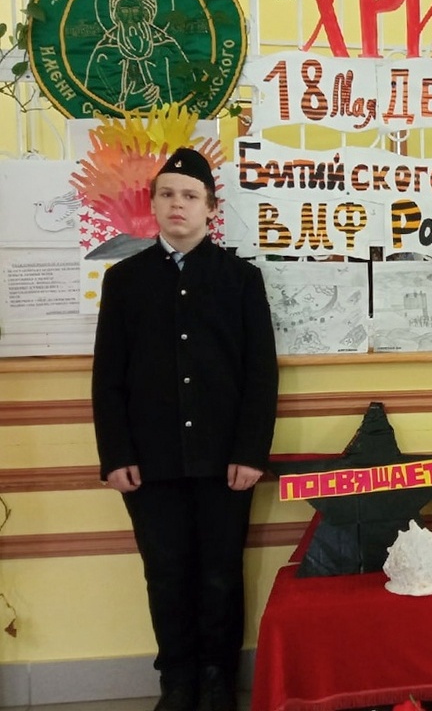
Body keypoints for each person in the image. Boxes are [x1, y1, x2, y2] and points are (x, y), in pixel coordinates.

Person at [92, 147, 279, 711]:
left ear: (210, 208)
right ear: (152, 204)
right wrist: (115, 454)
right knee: (166, 573)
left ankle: (218, 679)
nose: (179, 204)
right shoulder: (125, 281)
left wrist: (251, 451)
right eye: (168, 194)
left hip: (226, 460)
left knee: (221, 573)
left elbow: (260, 373)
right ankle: (176, 681)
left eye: (190, 196)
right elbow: (107, 377)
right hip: (149, 461)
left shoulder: (240, 280)